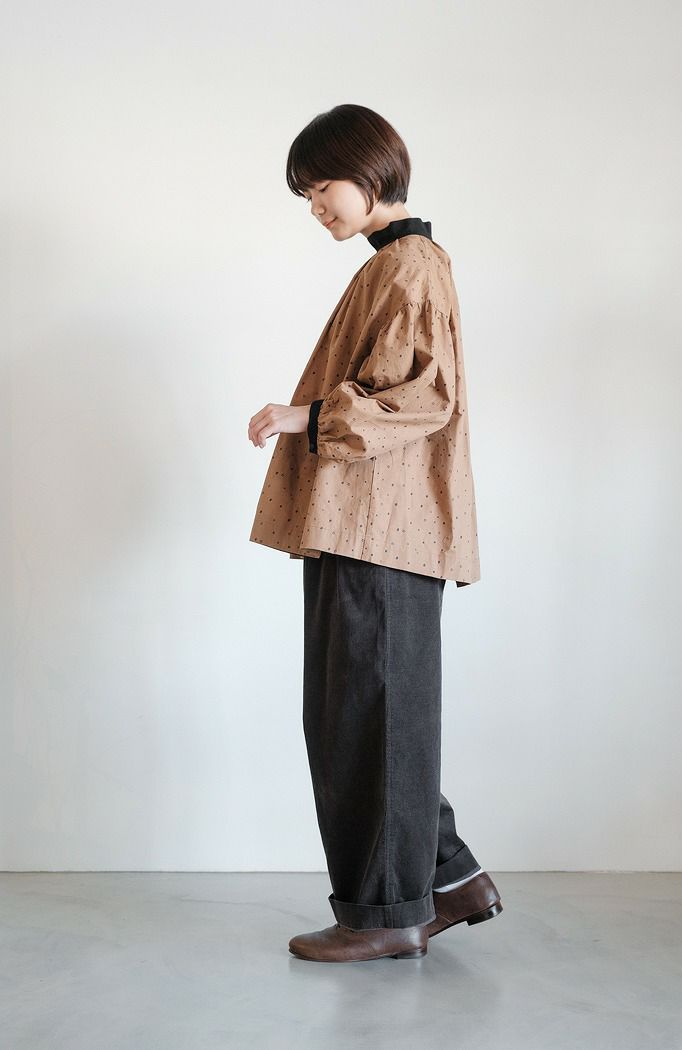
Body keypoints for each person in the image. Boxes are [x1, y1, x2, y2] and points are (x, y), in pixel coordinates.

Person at [248, 104, 503, 963]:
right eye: (306, 195)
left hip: (381, 528)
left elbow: (424, 398)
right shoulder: (393, 264)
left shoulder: (411, 265)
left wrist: (308, 415)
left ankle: (389, 915)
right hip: (364, 524)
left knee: (368, 714)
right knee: (362, 714)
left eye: (322, 186)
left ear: (370, 173)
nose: (315, 205)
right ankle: (448, 878)